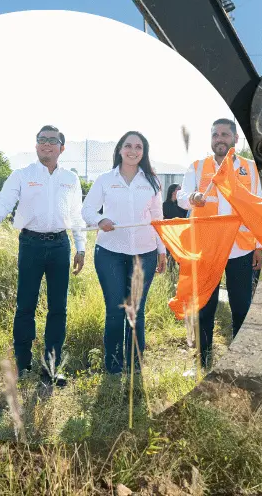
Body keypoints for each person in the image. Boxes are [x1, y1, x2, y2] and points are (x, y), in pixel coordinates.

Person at [0, 124, 86, 386]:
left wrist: (80, 247)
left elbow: (76, 216)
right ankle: (22, 362)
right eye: (41, 140)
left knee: (58, 308)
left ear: (62, 147)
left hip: (61, 246)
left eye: (52, 140)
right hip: (31, 244)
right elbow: (5, 201)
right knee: (25, 305)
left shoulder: (70, 179)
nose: (46, 144)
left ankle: (51, 367)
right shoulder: (22, 175)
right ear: (36, 145)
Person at [180, 119, 262, 371]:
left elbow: (258, 209)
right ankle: (204, 361)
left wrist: (259, 246)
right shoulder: (197, 167)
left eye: (225, 134)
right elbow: (183, 197)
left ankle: (240, 362)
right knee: (205, 307)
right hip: (207, 249)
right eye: (215, 134)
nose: (219, 138)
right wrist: (192, 198)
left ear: (235, 139)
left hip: (241, 249)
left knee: (242, 307)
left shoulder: (250, 169)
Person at [82, 131, 167, 375]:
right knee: (115, 310)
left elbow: (157, 219)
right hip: (110, 252)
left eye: (138, 147)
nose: (133, 150)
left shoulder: (152, 181)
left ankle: (136, 364)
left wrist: (162, 250)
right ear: (120, 149)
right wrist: (100, 219)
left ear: (144, 151)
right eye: (128, 146)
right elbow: (87, 209)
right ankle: (113, 365)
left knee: (136, 310)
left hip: (145, 254)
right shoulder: (105, 180)